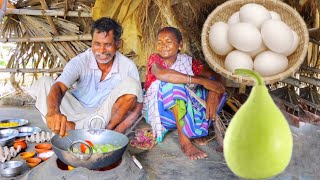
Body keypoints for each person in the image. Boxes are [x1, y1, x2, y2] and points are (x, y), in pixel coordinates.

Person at [28, 17, 143, 137]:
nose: (102, 50)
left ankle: (98, 133)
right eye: (97, 44)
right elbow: (60, 86)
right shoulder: (81, 61)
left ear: (118, 44)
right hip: (74, 113)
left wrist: (115, 134)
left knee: (132, 85)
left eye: (108, 45)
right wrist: (53, 112)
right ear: (92, 42)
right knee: (44, 83)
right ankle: (74, 129)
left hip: (103, 117)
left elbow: (138, 106)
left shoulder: (128, 66)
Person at [143, 27, 225, 160]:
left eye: (168, 41)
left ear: (180, 44)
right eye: (159, 42)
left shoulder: (188, 61)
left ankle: (196, 129)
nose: (163, 46)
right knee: (173, 84)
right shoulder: (155, 59)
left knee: (215, 87)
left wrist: (213, 92)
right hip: (163, 113)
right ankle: (184, 139)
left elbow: (217, 77)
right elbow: (162, 74)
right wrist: (201, 81)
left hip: (185, 111)